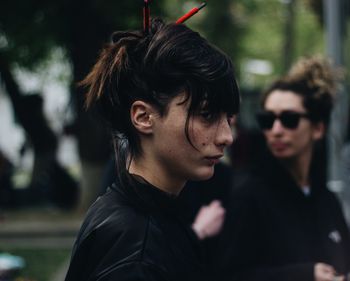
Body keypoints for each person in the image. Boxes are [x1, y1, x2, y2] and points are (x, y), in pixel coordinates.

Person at [64, 16, 240, 281]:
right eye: (206, 115)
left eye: (227, 118)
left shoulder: (148, 209)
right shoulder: (137, 254)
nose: (226, 136)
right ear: (144, 117)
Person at [221, 56, 350, 281]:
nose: (277, 130)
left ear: (318, 128)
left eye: (290, 119)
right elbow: (227, 275)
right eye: (267, 120)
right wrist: (304, 275)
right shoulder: (248, 194)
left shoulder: (326, 199)